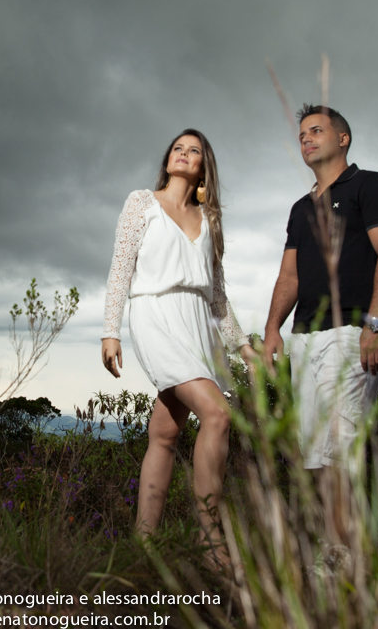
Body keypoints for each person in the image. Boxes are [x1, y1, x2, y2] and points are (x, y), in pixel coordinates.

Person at [102, 129, 256, 559]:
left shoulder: (210, 220)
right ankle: (211, 542)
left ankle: (145, 542)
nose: (184, 154)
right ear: (168, 159)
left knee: (165, 433)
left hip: (198, 324)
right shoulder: (141, 203)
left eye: (194, 150)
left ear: (204, 165)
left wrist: (243, 347)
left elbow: (218, 295)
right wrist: (110, 329)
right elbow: (120, 269)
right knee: (217, 414)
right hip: (155, 315)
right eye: (178, 148)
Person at [260, 104, 378, 471]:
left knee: (342, 451)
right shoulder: (299, 208)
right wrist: (272, 327)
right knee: (315, 457)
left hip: (352, 334)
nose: (306, 138)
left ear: (343, 139)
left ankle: (355, 531)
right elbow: (289, 277)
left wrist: (377, 324)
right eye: (302, 135)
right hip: (305, 339)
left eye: (316, 131)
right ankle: (329, 532)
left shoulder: (369, 185)